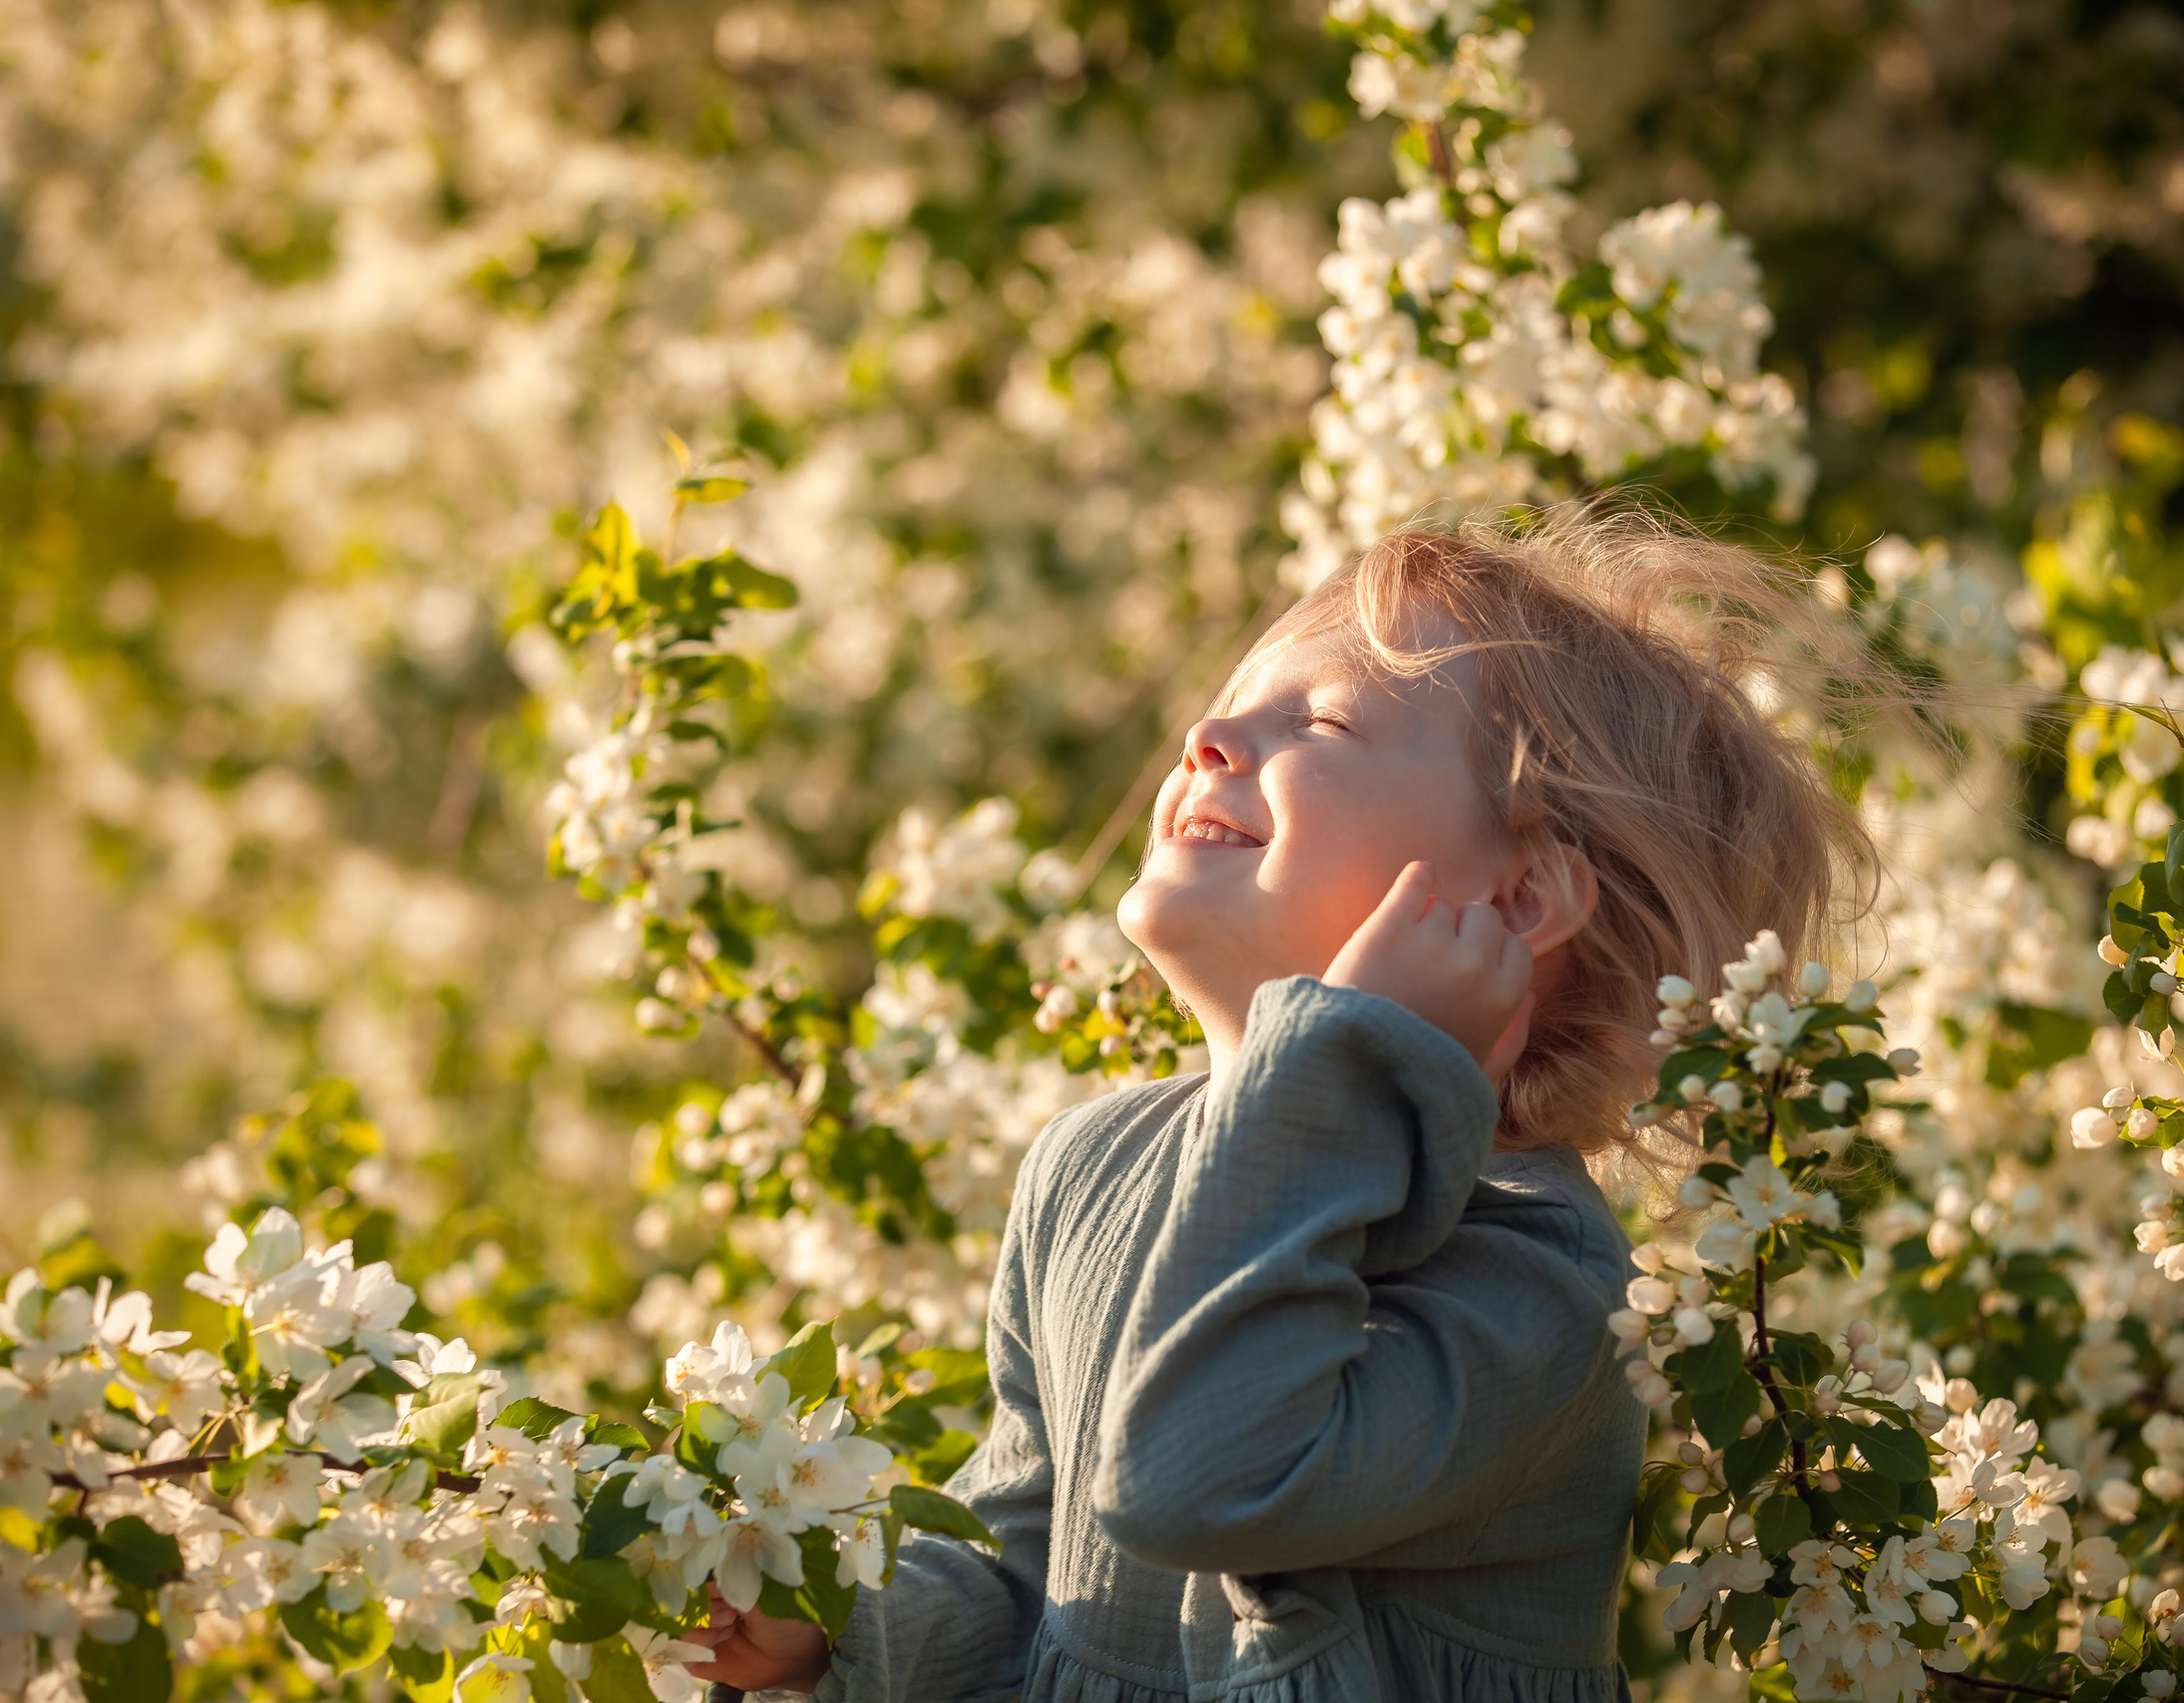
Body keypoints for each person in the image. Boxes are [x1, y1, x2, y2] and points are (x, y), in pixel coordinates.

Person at [685, 512, 1869, 1701]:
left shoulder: (1540, 1276)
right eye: (1233, 701)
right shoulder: (1089, 1166)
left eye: (1320, 721)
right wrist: (837, 1628)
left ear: (1515, 902)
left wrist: (1342, 1063)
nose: (1205, 736)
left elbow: (1195, 1478)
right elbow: (1039, 1589)